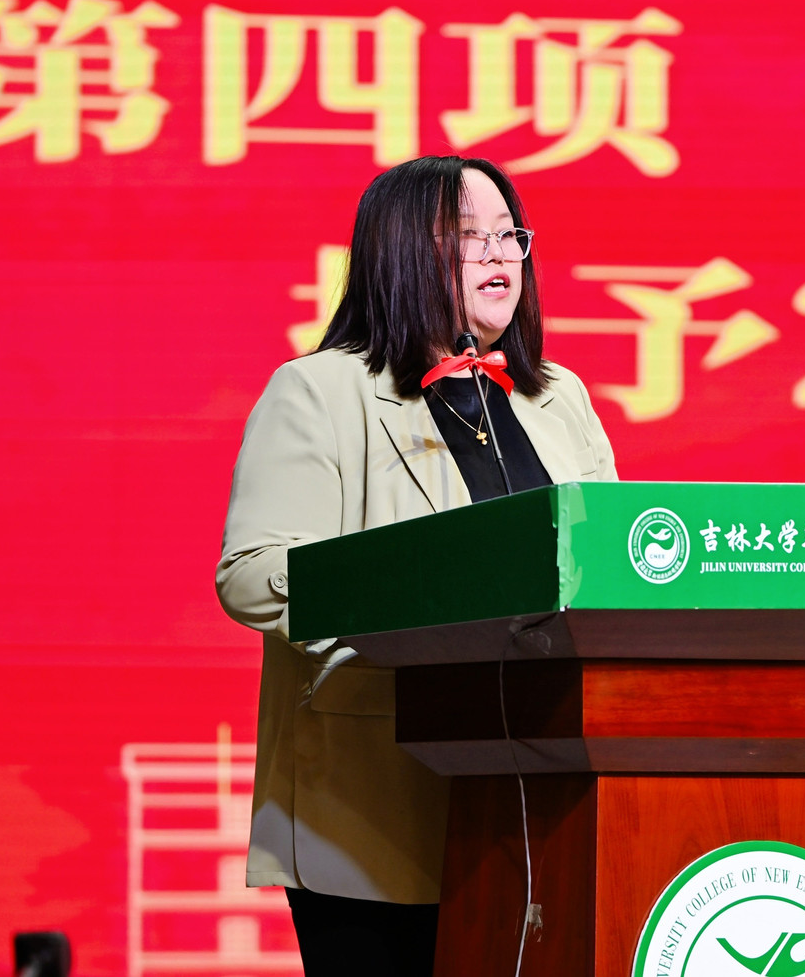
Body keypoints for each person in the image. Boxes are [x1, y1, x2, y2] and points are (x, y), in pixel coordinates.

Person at [215, 156, 617, 975]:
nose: (500, 255)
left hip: (539, 790)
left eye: (509, 235)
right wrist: (412, 584)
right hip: (374, 800)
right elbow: (252, 574)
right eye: (471, 237)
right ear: (402, 250)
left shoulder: (556, 397)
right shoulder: (320, 391)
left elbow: (607, 568)